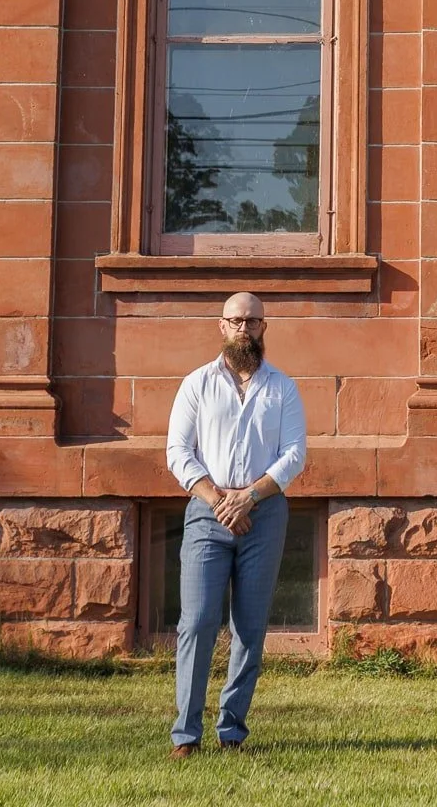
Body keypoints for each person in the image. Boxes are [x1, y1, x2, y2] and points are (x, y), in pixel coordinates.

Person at [164, 291, 306, 757]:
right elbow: (178, 453)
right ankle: (186, 734)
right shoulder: (197, 384)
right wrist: (220, 500)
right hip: (208, 512)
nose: (244, 328)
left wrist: (247, 498)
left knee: (249, 626)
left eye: (252, 321)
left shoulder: (282, 388)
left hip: (263, 514)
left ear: (264, 327)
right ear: (220, 326)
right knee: (198, 621)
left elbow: (293, 456)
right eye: (235, 321)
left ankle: (231, 731)